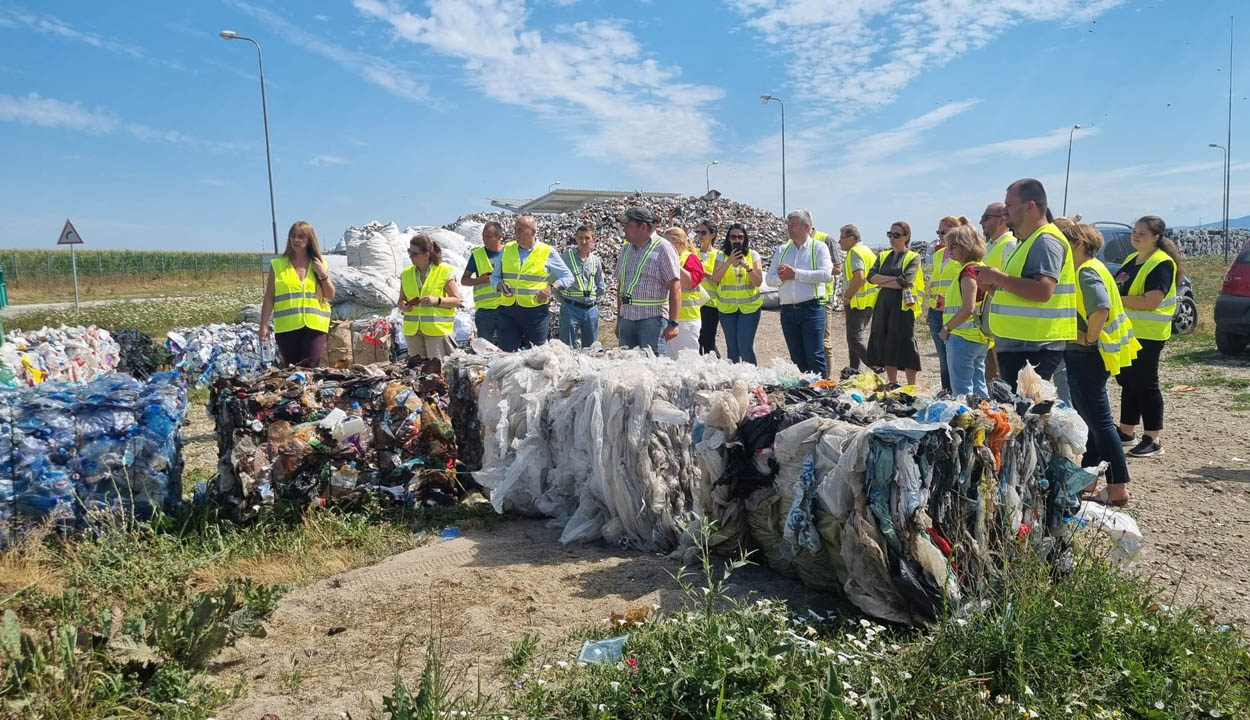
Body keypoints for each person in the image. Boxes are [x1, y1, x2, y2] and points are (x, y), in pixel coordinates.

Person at [1064, 222, 1140, 505]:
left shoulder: (1086, 271)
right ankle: (1088, 481)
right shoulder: (1093, 267)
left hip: (1087, 355)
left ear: (1080, 244)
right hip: (1094, 355)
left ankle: (1118, 487)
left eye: (1065, 244)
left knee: (1101, 424)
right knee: (1092, 421)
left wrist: (1088, 337)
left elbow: (1100, 307)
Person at [978, 178, 1077, 391]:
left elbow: (1043, 291)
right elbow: (1020, 291)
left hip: (1035, 346)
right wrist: (995, 289)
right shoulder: (1027, 241)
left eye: (1010, 205)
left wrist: (997, 277)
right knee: (1017, 412)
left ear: (1030, 206)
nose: (1005, 211)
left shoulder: (1045, 241)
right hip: (1021, 344)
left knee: (1027, 413)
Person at [1115, 215, 1182, 458]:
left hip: (1149, 335)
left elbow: (1153, 300)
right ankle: (1126, 431)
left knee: (1146, 384)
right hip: (1129, 333)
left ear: (1156, 237)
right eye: (1134, 231)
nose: (1136, 236)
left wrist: (1116, 301)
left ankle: (1153, 438)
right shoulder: (1132, 259)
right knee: (1129, 382)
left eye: (1142, 233)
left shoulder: (1161, 263)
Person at [491, 213, 574, 352]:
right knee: (506, 354)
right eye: (516, 229)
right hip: (508, 310)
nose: (516, 233)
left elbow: (568, 277)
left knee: (537, 354)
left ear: (533, 232)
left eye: (521, 230)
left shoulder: (547, 251)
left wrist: (551, 288)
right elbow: (495, 276)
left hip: (535, 312)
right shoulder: (507, 249)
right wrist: (499, 285)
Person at [767, 209, 834, 376]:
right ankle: (804, 393)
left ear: (807, 227)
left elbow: (826, 275)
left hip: (812, 308)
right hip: (788, 310)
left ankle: (822, 394)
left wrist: (796, 274)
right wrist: (782, 278)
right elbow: (769, 279)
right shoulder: (782, 250)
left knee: (814, 355)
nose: (790, 229)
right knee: (797, 357)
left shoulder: (819, 248)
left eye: (794, 225)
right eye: (788, 225)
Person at [260, 221, 335, 367]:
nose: (296, 240)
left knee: (310, 365)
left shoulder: (320, 264)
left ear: (309, 240)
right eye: (292, 236)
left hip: (315, 325)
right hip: (287, 327)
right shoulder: (278, 265)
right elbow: (269, 297)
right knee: (293, 369)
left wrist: (322, 274)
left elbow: (330, 294)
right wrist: (263, 324)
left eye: (301, 237)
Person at [615, 207, 682, 354]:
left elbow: (675, 287)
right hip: (627, 318)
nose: (624, 229)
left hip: (652, 320)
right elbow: (621, 286)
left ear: (643, 226)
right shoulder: (625, 249)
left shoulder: (663, 248)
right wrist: (619, 319)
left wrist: (673, 323)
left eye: (628, 225)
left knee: (653, 367)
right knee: (627, 366)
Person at [866, 222, 925, 384]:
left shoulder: (913, 257)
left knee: (906, 342)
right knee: (885, 342)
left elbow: (905, 281)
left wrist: (883, 281)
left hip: (903, 306)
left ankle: (911, 386)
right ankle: (892, 383)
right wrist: (894, 280)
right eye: (890, 234)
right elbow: (870, 277)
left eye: (896, 235)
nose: (892, 238)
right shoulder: (883, 256)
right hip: (883, 305)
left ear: (906, 237)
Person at [937, 226, 990, 396]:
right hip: (977, 337)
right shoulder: (979, 268)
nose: (949, 250)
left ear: (966, 246)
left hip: (963, 337)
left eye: (954, 246)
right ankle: (986, 417)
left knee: (962, 390)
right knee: (978, 385)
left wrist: (947, 328)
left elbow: (968, 307)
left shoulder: (968, 272)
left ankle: (966, 418)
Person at [399, 234, 461, 359]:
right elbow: (400, 300)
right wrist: (404, 306)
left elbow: (456, 300)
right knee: (417, 370)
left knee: (436, 371)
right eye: (409, 252)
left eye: (414, 254)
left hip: (436, 331)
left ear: (426, 255)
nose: (411, 257)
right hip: (413, 332)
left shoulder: (444, 271)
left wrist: (436, 300)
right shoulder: (406, 273)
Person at [927, 215, 970, 392]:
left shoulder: (963, 254)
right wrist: (930, 311)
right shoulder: (938, 255)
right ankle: (947, 393)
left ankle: (957, 395)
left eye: (943, 232)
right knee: (943, 359)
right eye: (938, 232)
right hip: (936, 310)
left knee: (955, 359)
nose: (940, 235)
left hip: (954, 311)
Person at [712, 223, 765, 364]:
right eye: (733, 236)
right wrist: (728, 262)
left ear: (745, 239)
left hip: (749, 308)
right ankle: (735, 380)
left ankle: (752, 380)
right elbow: (715, 278)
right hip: (727, 308)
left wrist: (748, 267)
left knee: (745, 347)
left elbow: (758, 282)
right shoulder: (721, 256)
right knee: (732, 349)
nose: (736, 240)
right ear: (728, 239)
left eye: (740, 237)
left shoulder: (753, 255)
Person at [978, 202, 1017, 382]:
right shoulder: (991, 245)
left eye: (986, 217)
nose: (981, 222)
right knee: (990, 369)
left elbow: (1011, 282)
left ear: (1002, 220)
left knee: (999, 372)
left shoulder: (1009, 244)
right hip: (990, 315)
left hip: (1002, 317)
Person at [661, 226, 707, 358]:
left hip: (686, 320)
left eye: (667, 243)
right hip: (668, 318)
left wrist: (674, 262)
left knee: (687, 361)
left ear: (677, 242)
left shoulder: (690, 259)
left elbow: (690, 282)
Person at [838, 224, 878, 372]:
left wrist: (847, 296)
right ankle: (853, 370)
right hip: (869, 301)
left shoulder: (855, 252)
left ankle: (876, 366)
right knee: (854, 339)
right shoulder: (867, 251)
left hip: (857, 302)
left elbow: (859, 277)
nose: (839, 241)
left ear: (851, 238)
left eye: (842, 238)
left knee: (854, 338)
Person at [557, 225, 604, 349]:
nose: (584, 241)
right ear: (576, 239)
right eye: (581, 238)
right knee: (566, 347)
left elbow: (600, 287)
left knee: (591, 348)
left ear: (593, 239)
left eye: (587, 238)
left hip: (591, 310)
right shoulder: (565, 258)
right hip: (570, 309)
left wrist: (591, 300)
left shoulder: (596, 261)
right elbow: (555, 282)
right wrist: (564, 301)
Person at [461, 220, 504, 346]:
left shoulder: (509, 253)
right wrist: (480, 280)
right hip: (485, 311)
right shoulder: (477, 255)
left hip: (506, 308)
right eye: (483, 236)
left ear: (499, 237)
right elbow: (464, 280)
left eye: (488, 237)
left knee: (507, 348)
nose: (484, 240)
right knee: (484, 348)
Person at [815, 226, 843, 376]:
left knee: (825, 341)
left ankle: (829, 379)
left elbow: (837, 269)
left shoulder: (826, 239)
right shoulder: (792, 242)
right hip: (802, 299)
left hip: (823, 298)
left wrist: (811, 271)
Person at [694, 220, 722, 356]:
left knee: (708, 340)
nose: (700, 235)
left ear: (713, 235)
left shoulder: (718, 255)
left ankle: (716, 365)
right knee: (696, 340)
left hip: (711, 304)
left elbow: (720, 279)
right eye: (698, 232)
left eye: (703, 232)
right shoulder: (693, 253)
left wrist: (704, 273)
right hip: (694, 303)